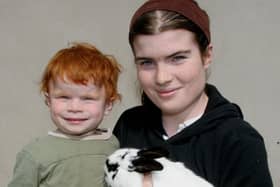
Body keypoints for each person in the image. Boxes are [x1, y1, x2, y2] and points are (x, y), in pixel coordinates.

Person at [113, 0, 273, 186]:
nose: (162, 78)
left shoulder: (238, 141)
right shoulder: (128, 125)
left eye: (177, 58)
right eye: (147, 62)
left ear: (207, 56)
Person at [8, 42, 121, 187]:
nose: (74, 108)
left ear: (108, 105)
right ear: (48, 100)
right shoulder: (35, 154)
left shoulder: (112, 145)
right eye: (64, 97)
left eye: (87, 99)